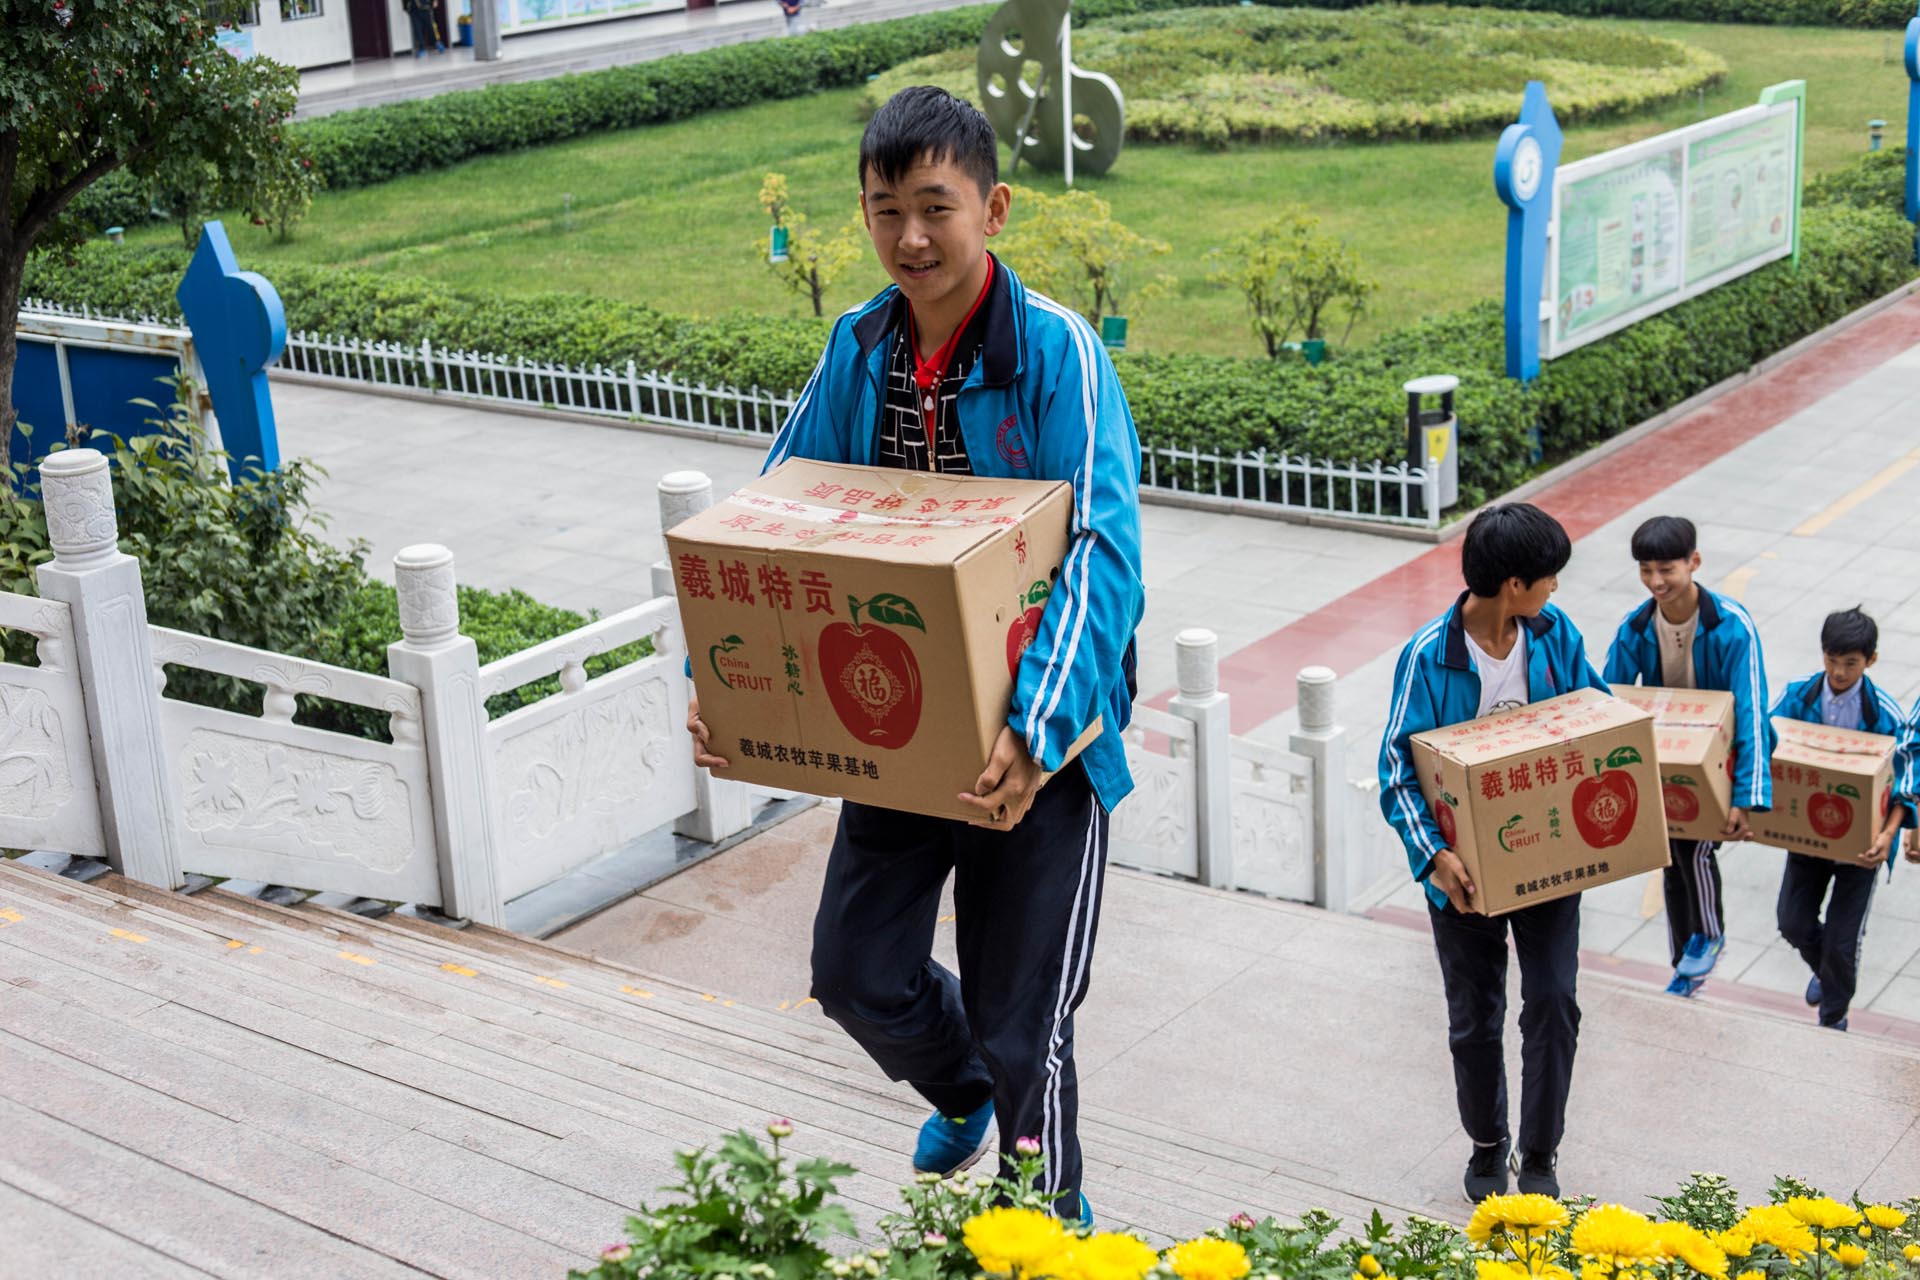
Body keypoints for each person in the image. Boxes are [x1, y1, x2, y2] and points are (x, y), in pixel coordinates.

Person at [685, 86, 1144, 1224]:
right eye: (886, 211)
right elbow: (775, 520)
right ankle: (963, 1086)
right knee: (855, 972)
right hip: (906, 739)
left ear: (993, 207)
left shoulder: (1056, 356)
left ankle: (1049, 1214)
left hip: (1041, 746)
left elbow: (1099, 548)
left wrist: (1035, 729)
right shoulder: (862, 348)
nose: (911, 239)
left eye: (935, 207)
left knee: (1023, 1007)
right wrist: (724, 683)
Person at [1379, 503, 1607, 1204]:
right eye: (1548, 579)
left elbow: (1593, 713)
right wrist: (1435, 859)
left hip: (1546, 866)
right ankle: (1487, 1142)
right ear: (1514, 584)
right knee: (1474, 1017)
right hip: (1465, 874)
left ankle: (1539, 1151)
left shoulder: (1554, 635)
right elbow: (1395, 770)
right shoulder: (1429, 656)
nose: (1555, 592)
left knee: (1552, 1002)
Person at [1602, 515, 1773, 998]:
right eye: (1646, 570)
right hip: (1665, 763)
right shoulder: (1636, 627)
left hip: (1720, 764)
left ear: (1693, 563)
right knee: (1670, 856)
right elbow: (1607, 695)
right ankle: (1685, 962)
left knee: (1693, 847)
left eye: (1667, 569)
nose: (1656, 582)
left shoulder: (1732, 627)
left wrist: (1748, 796)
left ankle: (1710, 933)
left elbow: (1753, 706)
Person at [1769, 607, 1916, 1031]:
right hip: (1808, 840)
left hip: (1861, 848)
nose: (1838, 671)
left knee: (1842, 940)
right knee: (1792, 922)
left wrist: (1889, 835)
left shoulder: (1885, 714)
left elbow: (1906, 779)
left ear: (1870, 661)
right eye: (1831, 660)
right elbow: (1766, 742)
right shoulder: (1797, 697)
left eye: (1849, 663)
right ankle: (1829, 973)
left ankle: (1834, 1018)